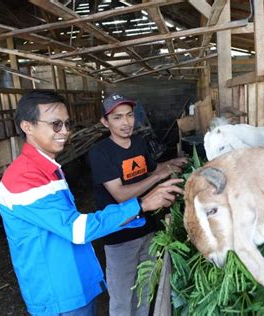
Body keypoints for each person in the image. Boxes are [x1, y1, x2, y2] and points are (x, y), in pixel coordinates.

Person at [0, 90, 183, 315]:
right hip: (57, 293)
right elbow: (76, 229)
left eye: (67, 124)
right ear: (28, 126)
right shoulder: (25, 177)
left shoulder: (48, 168)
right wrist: (141, 204)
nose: (64, 132)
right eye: (55, 124)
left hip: (75, 281)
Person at [88, 93, 188, 316]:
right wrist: (157, 178)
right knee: (122, 296)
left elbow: (148, 170)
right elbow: (121, 194)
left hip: (148, 230)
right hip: (120, 235)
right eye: (117, 117)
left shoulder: (139, 143)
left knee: (144, 289)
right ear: (105, 122)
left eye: (130, 115)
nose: (126, 122)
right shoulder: (100, 153)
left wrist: (170, 163)